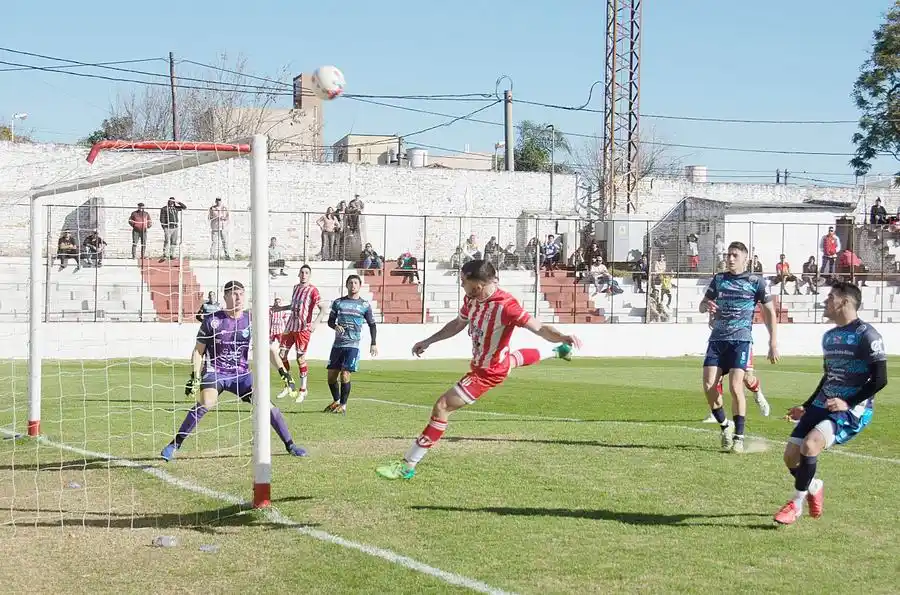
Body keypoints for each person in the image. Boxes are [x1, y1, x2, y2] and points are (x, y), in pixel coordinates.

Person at [376, 259, 582, 480]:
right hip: (491, 362)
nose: (462, 285)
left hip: (487, 373)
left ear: (478, 285)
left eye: (464, 282)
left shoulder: (506, 306)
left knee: (442, 407)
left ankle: (408, 464)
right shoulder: (471, 299)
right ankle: (559, 352)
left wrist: (562, 335)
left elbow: (539, 327)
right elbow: (457, 324)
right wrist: (429, 340)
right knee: (511, 360)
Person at [774, 282, 888, 525]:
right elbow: (829, 376)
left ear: (844, 302)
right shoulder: (829, 337)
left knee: (810, 445)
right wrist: (806, 405)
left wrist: (848, 402)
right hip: (822, 403)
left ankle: (796, 504)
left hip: (852, 409)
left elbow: (880, 379)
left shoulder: (867, 335)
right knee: (790, 457)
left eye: (830, 297)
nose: (826, 301)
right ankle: (814, 486)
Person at [160, 280, 307, 461]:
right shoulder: (212, 320)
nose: (238, 298)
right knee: (206, 402)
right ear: (225, 297)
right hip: (216, 372)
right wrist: (195, 375)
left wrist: (284, 373)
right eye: (234, 294)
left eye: (241, 294)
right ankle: (174, 444)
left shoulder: (250, 320)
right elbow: (198, 351)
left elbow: (269, 350)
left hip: (242, 375)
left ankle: (290, 445)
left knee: (267, 406)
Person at [700, 241, 779, 453]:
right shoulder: (719, 279)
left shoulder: (756, 281)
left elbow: (770, 311)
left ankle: (739, 438)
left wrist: (773, 341)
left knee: (736, 386)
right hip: (717, 340)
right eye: (729, 255)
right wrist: (706, 305)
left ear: (745, 258)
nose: (730, 258)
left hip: (741, 340)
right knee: (708, 385)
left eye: (735, 255)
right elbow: (702, 304)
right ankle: (725, 427)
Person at [324, 275, 377, 414]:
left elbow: (372, 324)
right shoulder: (338, 302)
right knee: (331, 377)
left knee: (345, 374)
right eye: (350, 283)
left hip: (352, 345)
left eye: (355, 283)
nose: (353, 285)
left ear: (359, 286)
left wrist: (373, 343)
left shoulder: (364, 305)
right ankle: (336, 401)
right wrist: (335, 326)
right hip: (337, 345)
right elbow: (330, 321)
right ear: (346, 285)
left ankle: (343, 404)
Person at [702, 311, 769, 421]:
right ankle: (715, 413)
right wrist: (715, 320)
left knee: (747, 379)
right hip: (721, 342)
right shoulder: (719, 299)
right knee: (714, 379)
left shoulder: (742, 302)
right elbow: (712, 323)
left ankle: (757, 393)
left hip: (740, 343)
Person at [274, 265, 325, 403]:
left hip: (303, 328)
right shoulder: (296, 287)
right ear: (299, 274)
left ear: (309, 275)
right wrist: (280, 308)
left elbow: (323, 308)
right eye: (302, 272)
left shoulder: (313, 290)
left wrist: (315, 323)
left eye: (306, 272)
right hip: (291, 325)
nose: (303, 274)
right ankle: (288, 384)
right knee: (281, 355)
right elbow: (293, 306)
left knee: (300, 359)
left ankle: (303, 389)